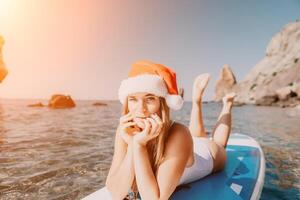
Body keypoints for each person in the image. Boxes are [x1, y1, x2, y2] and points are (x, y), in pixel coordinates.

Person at [105, 60, 236, 200]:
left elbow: (154, 199)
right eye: (133, 99)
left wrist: (138, 145)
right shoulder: (125, 129)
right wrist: (132, 144)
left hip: (208, 154)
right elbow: (115, 192)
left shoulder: (179, 132)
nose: (140, 109)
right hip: (185, 148)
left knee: (218, 142)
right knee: (196, 135)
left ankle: (226, 105)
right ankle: (197, 100)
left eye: (149, 99)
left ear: (162, 103)